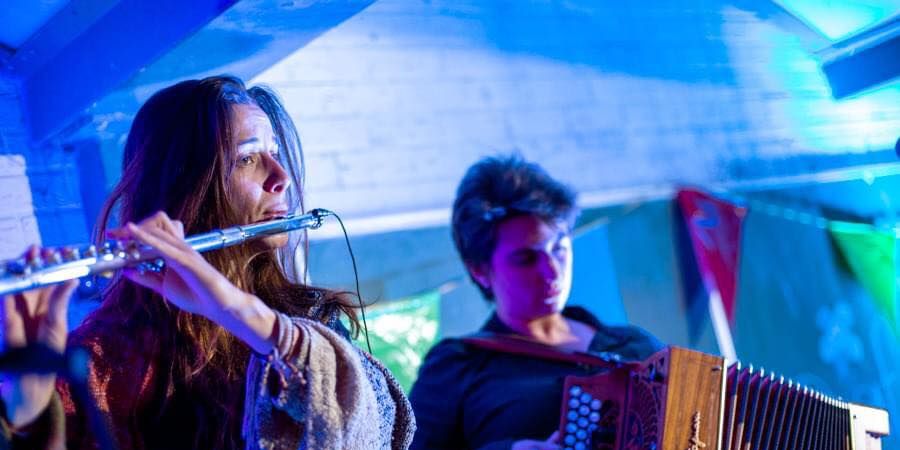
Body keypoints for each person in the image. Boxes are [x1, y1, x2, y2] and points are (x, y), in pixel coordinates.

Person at [0, 76, 414, 449]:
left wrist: (237, 311)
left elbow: (377, 429)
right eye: (248, 158)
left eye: (274, 152)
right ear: (187, 188)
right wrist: (31, 412)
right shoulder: (107, 356)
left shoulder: (308, 320)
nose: (281, 176)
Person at [408, 156, 663, 450]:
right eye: (526, 259)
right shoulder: (458, 366)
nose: (552, 271)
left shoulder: (633, 345)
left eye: (559, 247)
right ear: (480, 270)